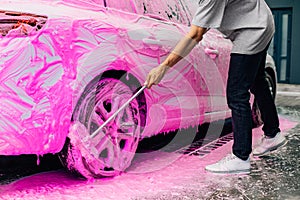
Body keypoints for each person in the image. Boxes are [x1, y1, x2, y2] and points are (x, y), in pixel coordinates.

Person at [144, 0, 287, 174]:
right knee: (257, 81)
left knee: (236, 93)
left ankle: (240, 157)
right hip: (262, 21)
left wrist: (164, 67)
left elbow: (196, 34)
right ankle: (273, 134)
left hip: (252, 30)